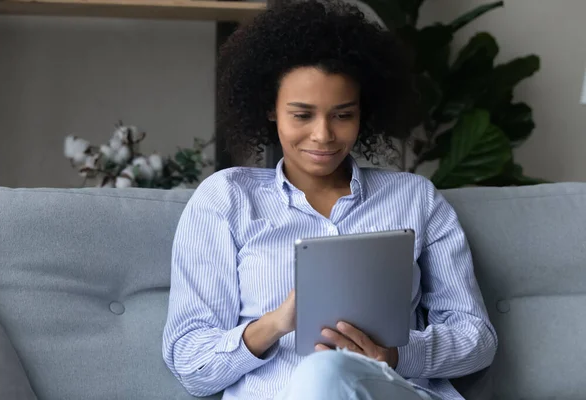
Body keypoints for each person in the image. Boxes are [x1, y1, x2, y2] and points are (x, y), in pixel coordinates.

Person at [162, 1, 498, 399]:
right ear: (270, 110)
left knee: (327, 373)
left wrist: (396, 354)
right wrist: (276, 323)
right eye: (302, 115)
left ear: (363, 112)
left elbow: (476, 339)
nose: (323, 135)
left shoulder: (415, 198)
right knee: (318, 377)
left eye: (342, 115)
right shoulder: (227, 199)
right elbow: (190, 364)